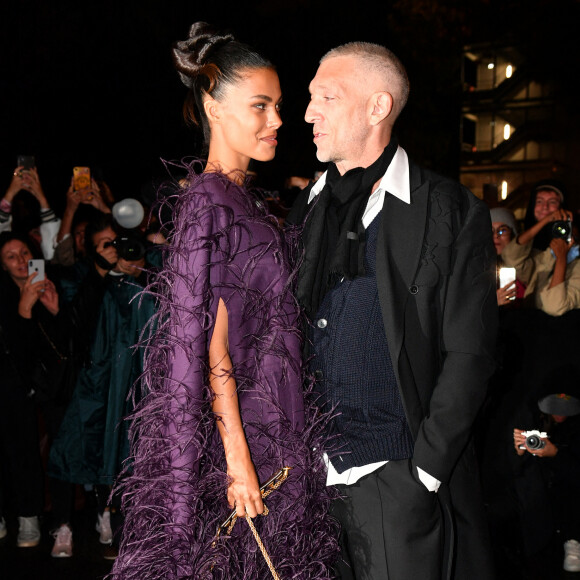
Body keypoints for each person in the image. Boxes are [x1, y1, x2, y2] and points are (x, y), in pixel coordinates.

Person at [110, 22, 338, 579]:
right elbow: (206, 344)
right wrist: (238, 459)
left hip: (276, 418)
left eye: (278, 106)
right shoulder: (210, 203)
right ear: (213, 106)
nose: (278, 121)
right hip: (247, 432)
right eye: (260, 105)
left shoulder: (243, 202)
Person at [287, 42, 498, 579]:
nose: (309, 113)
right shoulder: (307, 206)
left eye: (326, 98)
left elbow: (470, 352)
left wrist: (423, 471)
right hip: (307, 479)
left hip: (395, 480)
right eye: (310, 99)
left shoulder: (448, 210)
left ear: (377, 107)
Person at [512, 368, 580, 573]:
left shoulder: (576, 430)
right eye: (555, 403)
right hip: (538, 521)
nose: (561, 411)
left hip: (570, 520)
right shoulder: (531, 420)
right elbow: (511, 475)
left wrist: (556, 454)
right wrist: (518, 451)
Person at [501, 181, 580, 316]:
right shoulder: (541, 255)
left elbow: (555, 306)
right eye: (539, 201)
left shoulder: (575, 260)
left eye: (552, 202)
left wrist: (562, 257)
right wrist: (546, 220)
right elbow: (511, 257)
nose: (545, 207)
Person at [490, 207, 523, 306]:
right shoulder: (474, 269)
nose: (496, 236)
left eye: (502, 230)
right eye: (490, 230)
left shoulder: (526, 264)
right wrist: (492, 303)